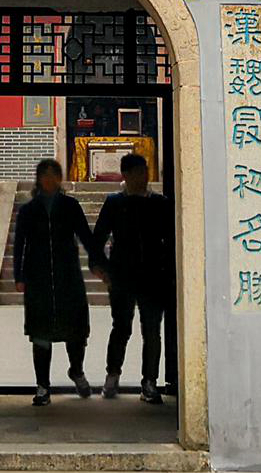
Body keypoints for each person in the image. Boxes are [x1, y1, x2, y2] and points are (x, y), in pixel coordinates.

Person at [12, 157, 98, 405]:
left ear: (60, 179)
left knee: (76, 331)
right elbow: (20, 245)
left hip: (67, 277)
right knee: (40, 335)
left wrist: (98, 263)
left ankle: (77, 370)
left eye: (54, 174)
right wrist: (19, 275)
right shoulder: (28, 210)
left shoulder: (70, 206)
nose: (49, 179)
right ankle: (42, 386)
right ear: (39, 179)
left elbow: (85, 236)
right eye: (45, 174)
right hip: (38, 279)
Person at [91, 154, 172, 404]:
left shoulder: (160, 203)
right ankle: (112, 375)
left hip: (152, 276)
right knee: (121, 327)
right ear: (125, 175)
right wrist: (100, 266)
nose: (143, 176)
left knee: (152, 331)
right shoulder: (114, 203)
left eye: (145, 171)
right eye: (138, 172)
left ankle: (150, 382)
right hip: (122, 276)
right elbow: (99, 237)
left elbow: (171, 238)